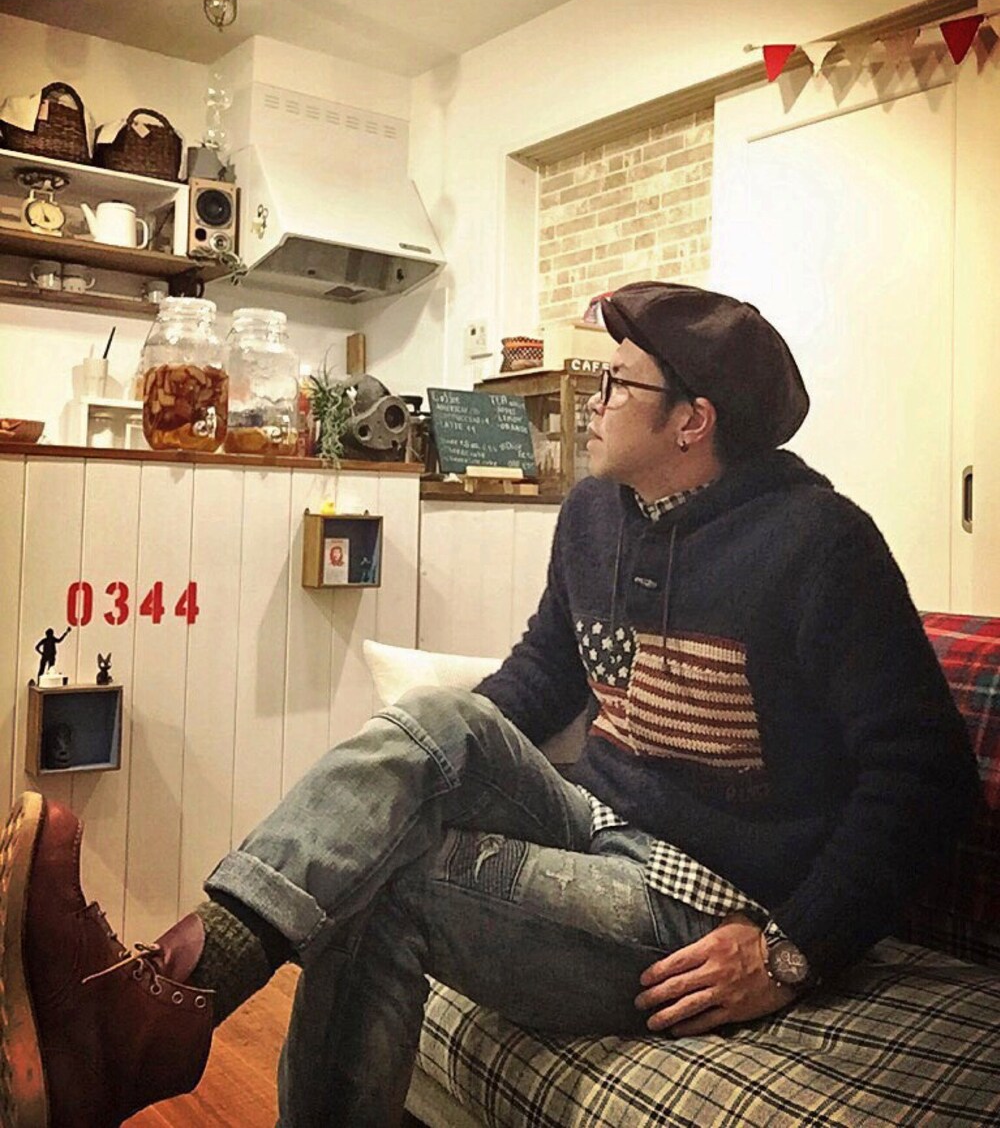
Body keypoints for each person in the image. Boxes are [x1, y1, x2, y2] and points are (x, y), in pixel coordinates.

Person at [0, 282, 978, 1128]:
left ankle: (151, 1013)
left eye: (616, 386)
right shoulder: (595, 514)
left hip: (710, 898)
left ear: (693, 420)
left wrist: (793, 949)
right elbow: (540, 676)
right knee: (441, 726)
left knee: (380, 886)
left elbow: (925, 775)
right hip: (595, 821)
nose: (592, 405)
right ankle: (169, 993)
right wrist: (422, 762)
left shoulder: (818, 544)